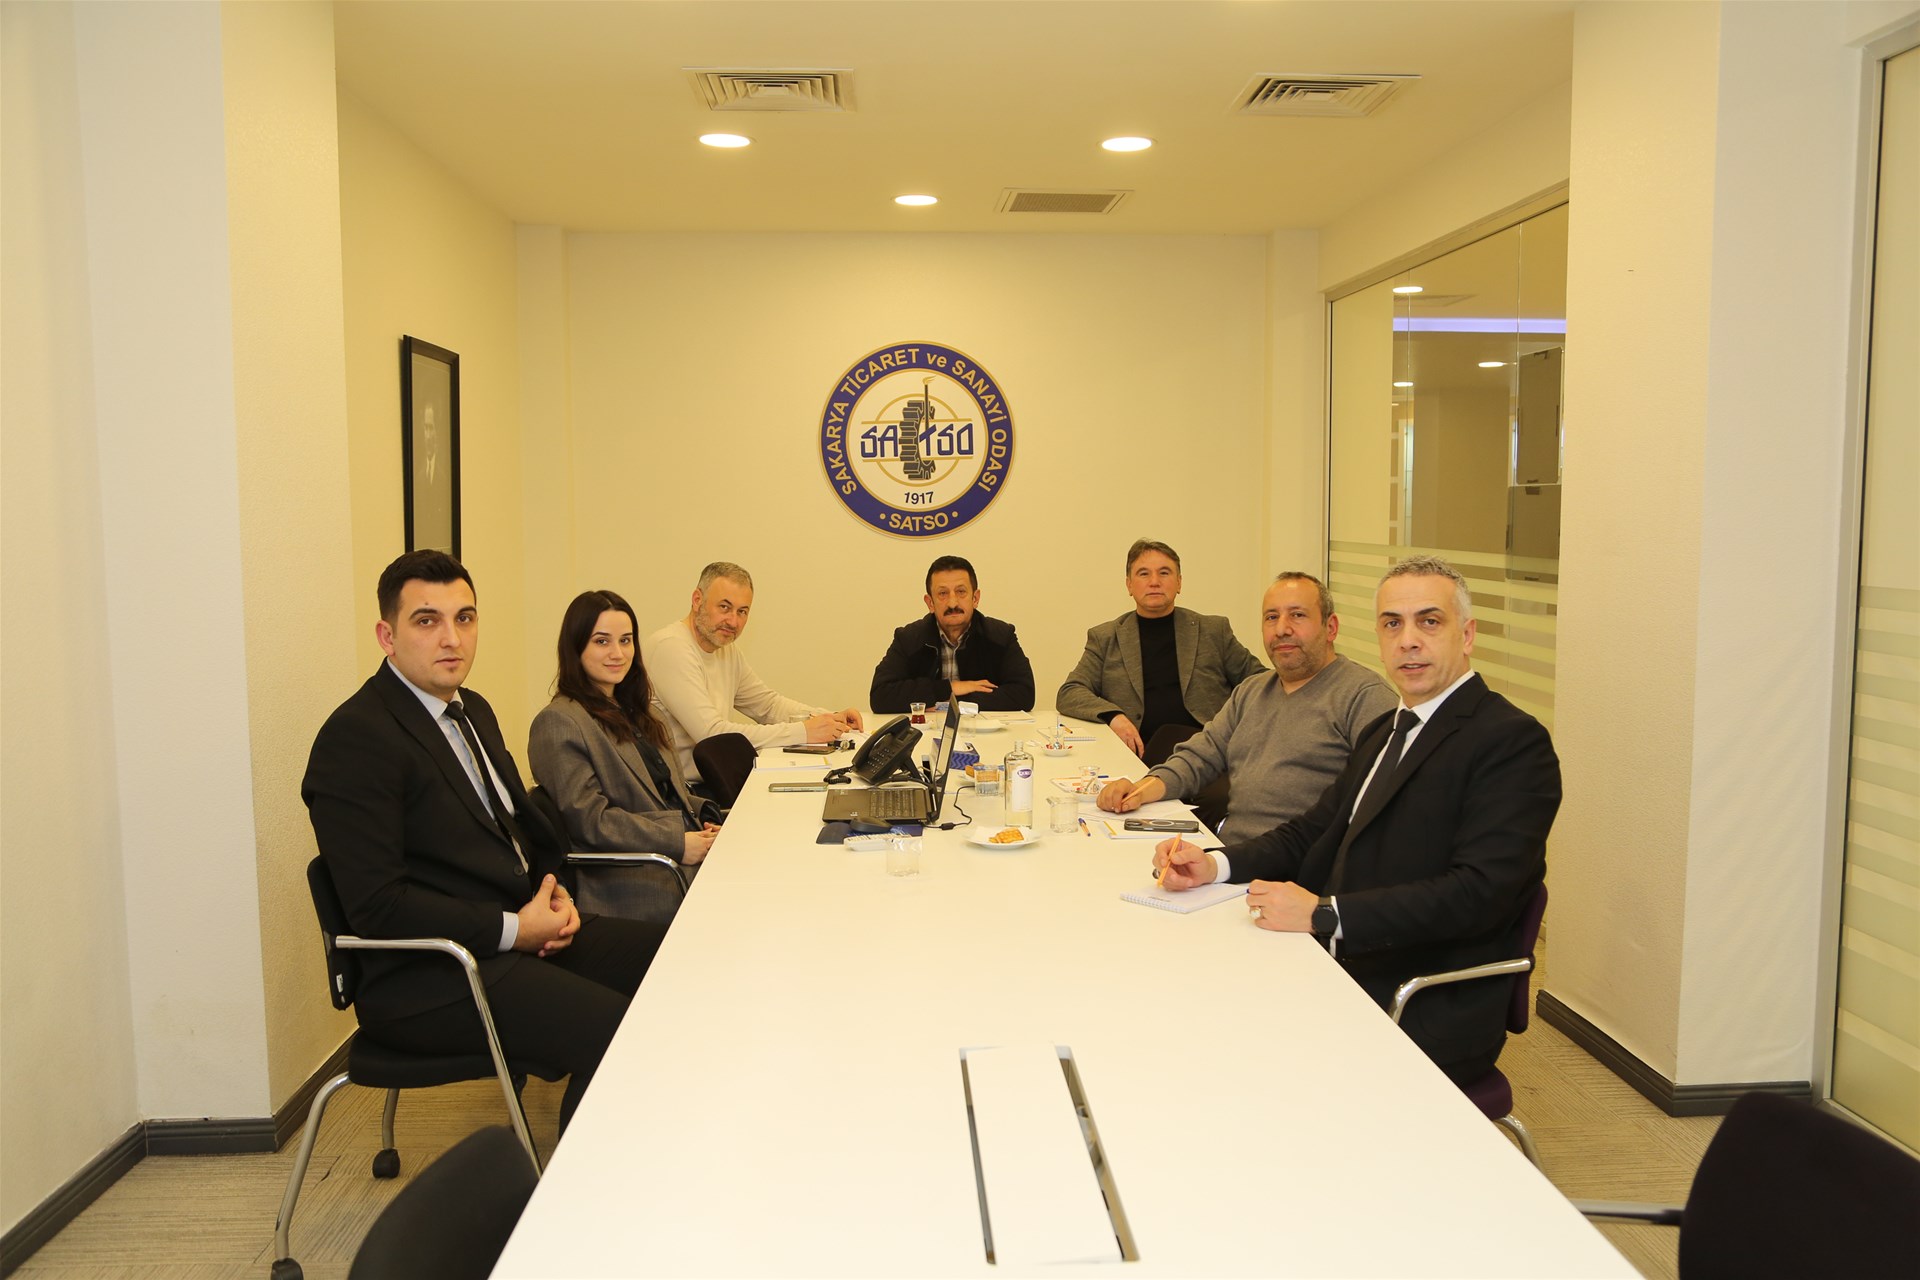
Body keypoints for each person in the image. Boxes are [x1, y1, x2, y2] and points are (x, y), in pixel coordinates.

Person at [1153, 556, 1561, 1084]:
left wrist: (1326, 914)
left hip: (1416, 991)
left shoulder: (1511, 742)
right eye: (1392, 623)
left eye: (1429, 621)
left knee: (1219, 1049)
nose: (1408, 641)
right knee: (1176, 991)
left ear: (1466, 635)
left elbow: (1478, 894)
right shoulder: (1387, 731)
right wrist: (1215, 865)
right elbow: (1310, 831)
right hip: (1337, 957)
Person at [302, 551, 664, 1132]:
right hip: (430, 972)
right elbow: (377, 906)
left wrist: (556, 897)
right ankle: (584, 1184)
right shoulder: (356, 739)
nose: (452, 638)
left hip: (511, 928)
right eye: (427, 620)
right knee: (621, 1032)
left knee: (675, 959)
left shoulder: (473, 711)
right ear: (387, 637)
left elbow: (524, 830)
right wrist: (516, 929)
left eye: (465, 618)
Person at [1097, 572, 1396, 842]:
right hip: (1231, 855)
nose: (1282, 629)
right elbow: (1200, 755)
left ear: (1330, 627)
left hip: (1297, 869)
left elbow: (1382, 812)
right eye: (1271, 617)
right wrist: (1139, 791)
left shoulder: (1364, 697)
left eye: (1297, 615)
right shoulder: (1251, 692)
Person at [528, 589, 721, 924]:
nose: (617, 653)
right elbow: (592, 822)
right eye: (602, 641)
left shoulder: (643, 714)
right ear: (576, 647)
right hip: (636, 878)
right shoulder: (560, 722)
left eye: (626, 640)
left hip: (678, 856)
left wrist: (704, 817)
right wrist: (677, 842)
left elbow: (664, 793)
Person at [643, 562, 863, 805]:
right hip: (685, 797)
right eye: (724, 607)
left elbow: (767, 705)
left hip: (716, 781)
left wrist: (828, 718)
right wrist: (804, 731)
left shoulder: (726, 650)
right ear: (697, 600)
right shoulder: (671, 647)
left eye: (742, 611)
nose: (733, 621)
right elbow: (711, 734)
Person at [1055, 539, 1266, 761]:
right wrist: (1114, 716)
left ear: (1179, 583)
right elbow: (1070, 692)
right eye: (1143, 574)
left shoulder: (1213, 631)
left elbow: (1261, 682)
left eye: (1164, 573)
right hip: (1138, 754)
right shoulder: (1106, 638)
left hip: (1205, 752)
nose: (1154, 582)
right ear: (1129, 585)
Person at [870, 555, 1036, 713]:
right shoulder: (909, 638)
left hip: (980, 728)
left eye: (961, 591)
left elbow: (1024, 694)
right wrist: (949, 688)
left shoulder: (1000, 636)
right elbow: (880, 695)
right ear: (930, 603)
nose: (952, 603)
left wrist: (960, 702)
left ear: (975, 598)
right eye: (943, 593)